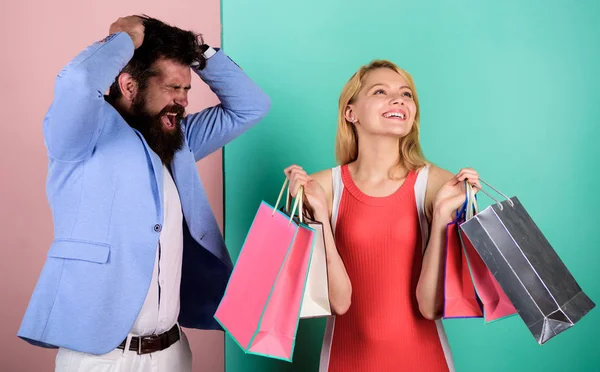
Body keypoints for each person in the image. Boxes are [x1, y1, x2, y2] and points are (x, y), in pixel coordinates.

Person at [18, 15, 271, 371]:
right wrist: (125, 40)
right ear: (129, 85)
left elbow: (251, 106)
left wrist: (199, 54)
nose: (182, 101)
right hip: (99, 358)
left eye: (186, 90)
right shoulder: (79, 136)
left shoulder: (177, 140)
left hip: (171, 352)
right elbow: (78, 81)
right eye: (172, 88)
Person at [284, 60, 480, 372]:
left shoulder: (439, 186)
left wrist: (443, 215)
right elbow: (339, 303)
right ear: (351, 113)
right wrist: (319, 217)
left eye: (406, 94)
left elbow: (430, 307)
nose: (399, 100)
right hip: (344, 361)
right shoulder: (321, 188)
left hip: (425, 361)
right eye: (380, 91)